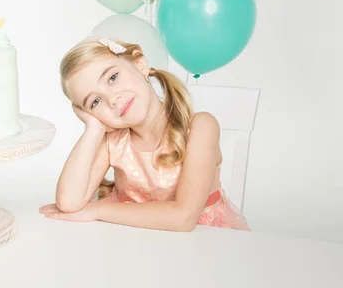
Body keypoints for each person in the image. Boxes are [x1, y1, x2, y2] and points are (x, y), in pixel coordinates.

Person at [39, 37, 250, 232]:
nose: (112, 99)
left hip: (204, 240)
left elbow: (183, 218)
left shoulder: (200, 127)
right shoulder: (113, 141)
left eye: (112, 78)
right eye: (95, 102)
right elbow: (68, 202)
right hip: (137, 240)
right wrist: (93, 128)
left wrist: (96, 210)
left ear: (140, 65)